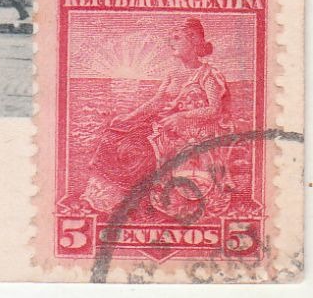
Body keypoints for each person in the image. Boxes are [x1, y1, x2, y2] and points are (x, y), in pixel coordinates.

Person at [82, 18, 230, 218]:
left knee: (140, 149)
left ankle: (141, 200)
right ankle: (114, 198)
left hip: (192, 134)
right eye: (171, 39)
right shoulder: (173, 74)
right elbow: (155, 102)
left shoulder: (207, 75)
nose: (171, 43)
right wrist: (128, 117)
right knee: (116, 135)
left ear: (194, 41)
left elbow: (214, 110)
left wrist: (182, 117)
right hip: (165, 129)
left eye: (177, 38)